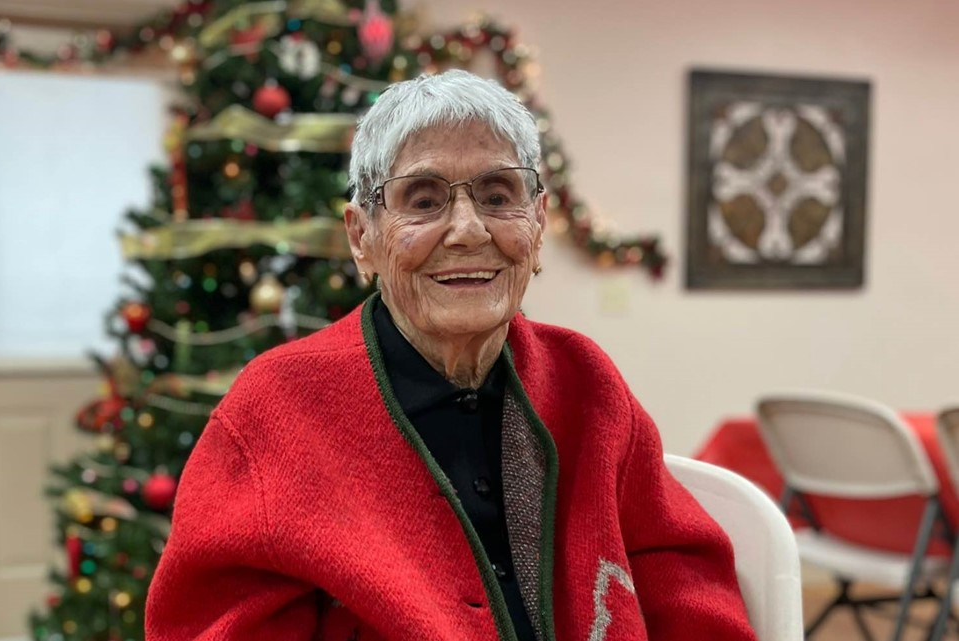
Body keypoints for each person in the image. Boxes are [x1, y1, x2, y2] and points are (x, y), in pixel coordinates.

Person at [146, 69, 756, 641]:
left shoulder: (585, 379)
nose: (468, 230)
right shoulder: (276, 409)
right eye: (423, 199)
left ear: (539, 223)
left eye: (497, 195)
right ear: (363, 238)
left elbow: (682, 578)